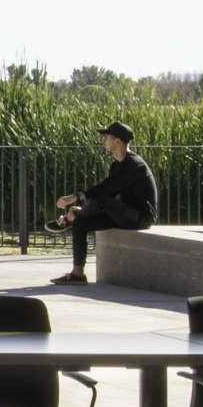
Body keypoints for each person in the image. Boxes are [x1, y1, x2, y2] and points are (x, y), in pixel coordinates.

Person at [50, 119, 158, 285]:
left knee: (100, 201)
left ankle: (69, 218)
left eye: (107, 137)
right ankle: (77, 273)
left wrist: (75, 198)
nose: (104, 140)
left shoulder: (134, 165)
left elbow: (106, 189)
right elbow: (108, 191)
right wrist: (83, 211)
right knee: (81, 222)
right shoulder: (116, 166)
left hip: (140, 216)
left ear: (118, 141)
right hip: (124, 214)